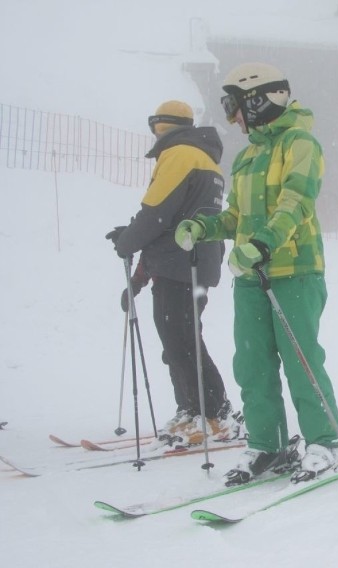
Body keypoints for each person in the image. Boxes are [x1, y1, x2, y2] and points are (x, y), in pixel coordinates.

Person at [175, 62, 338, 486]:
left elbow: (297, 202)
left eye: (234, 105)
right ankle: (268, 444)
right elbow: (236, 216)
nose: (232, 116)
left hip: (295, 270)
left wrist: (264, 243)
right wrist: (204, 226)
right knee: (252, 365)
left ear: (259, 100)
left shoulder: (301, 143)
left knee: (301, 360)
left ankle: (325, 441)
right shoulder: (249, 155)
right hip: (251, 275)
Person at [106, 100, 235, 446]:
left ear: (161, 126)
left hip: (181, 263)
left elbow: (156, 214)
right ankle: (195, 409)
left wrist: (127, 243)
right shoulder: (202, 157)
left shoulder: (180, 154)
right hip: (190, 261)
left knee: (180, 339)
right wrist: (139, 277)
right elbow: (169, 217)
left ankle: (212, 412)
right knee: (179, 338)